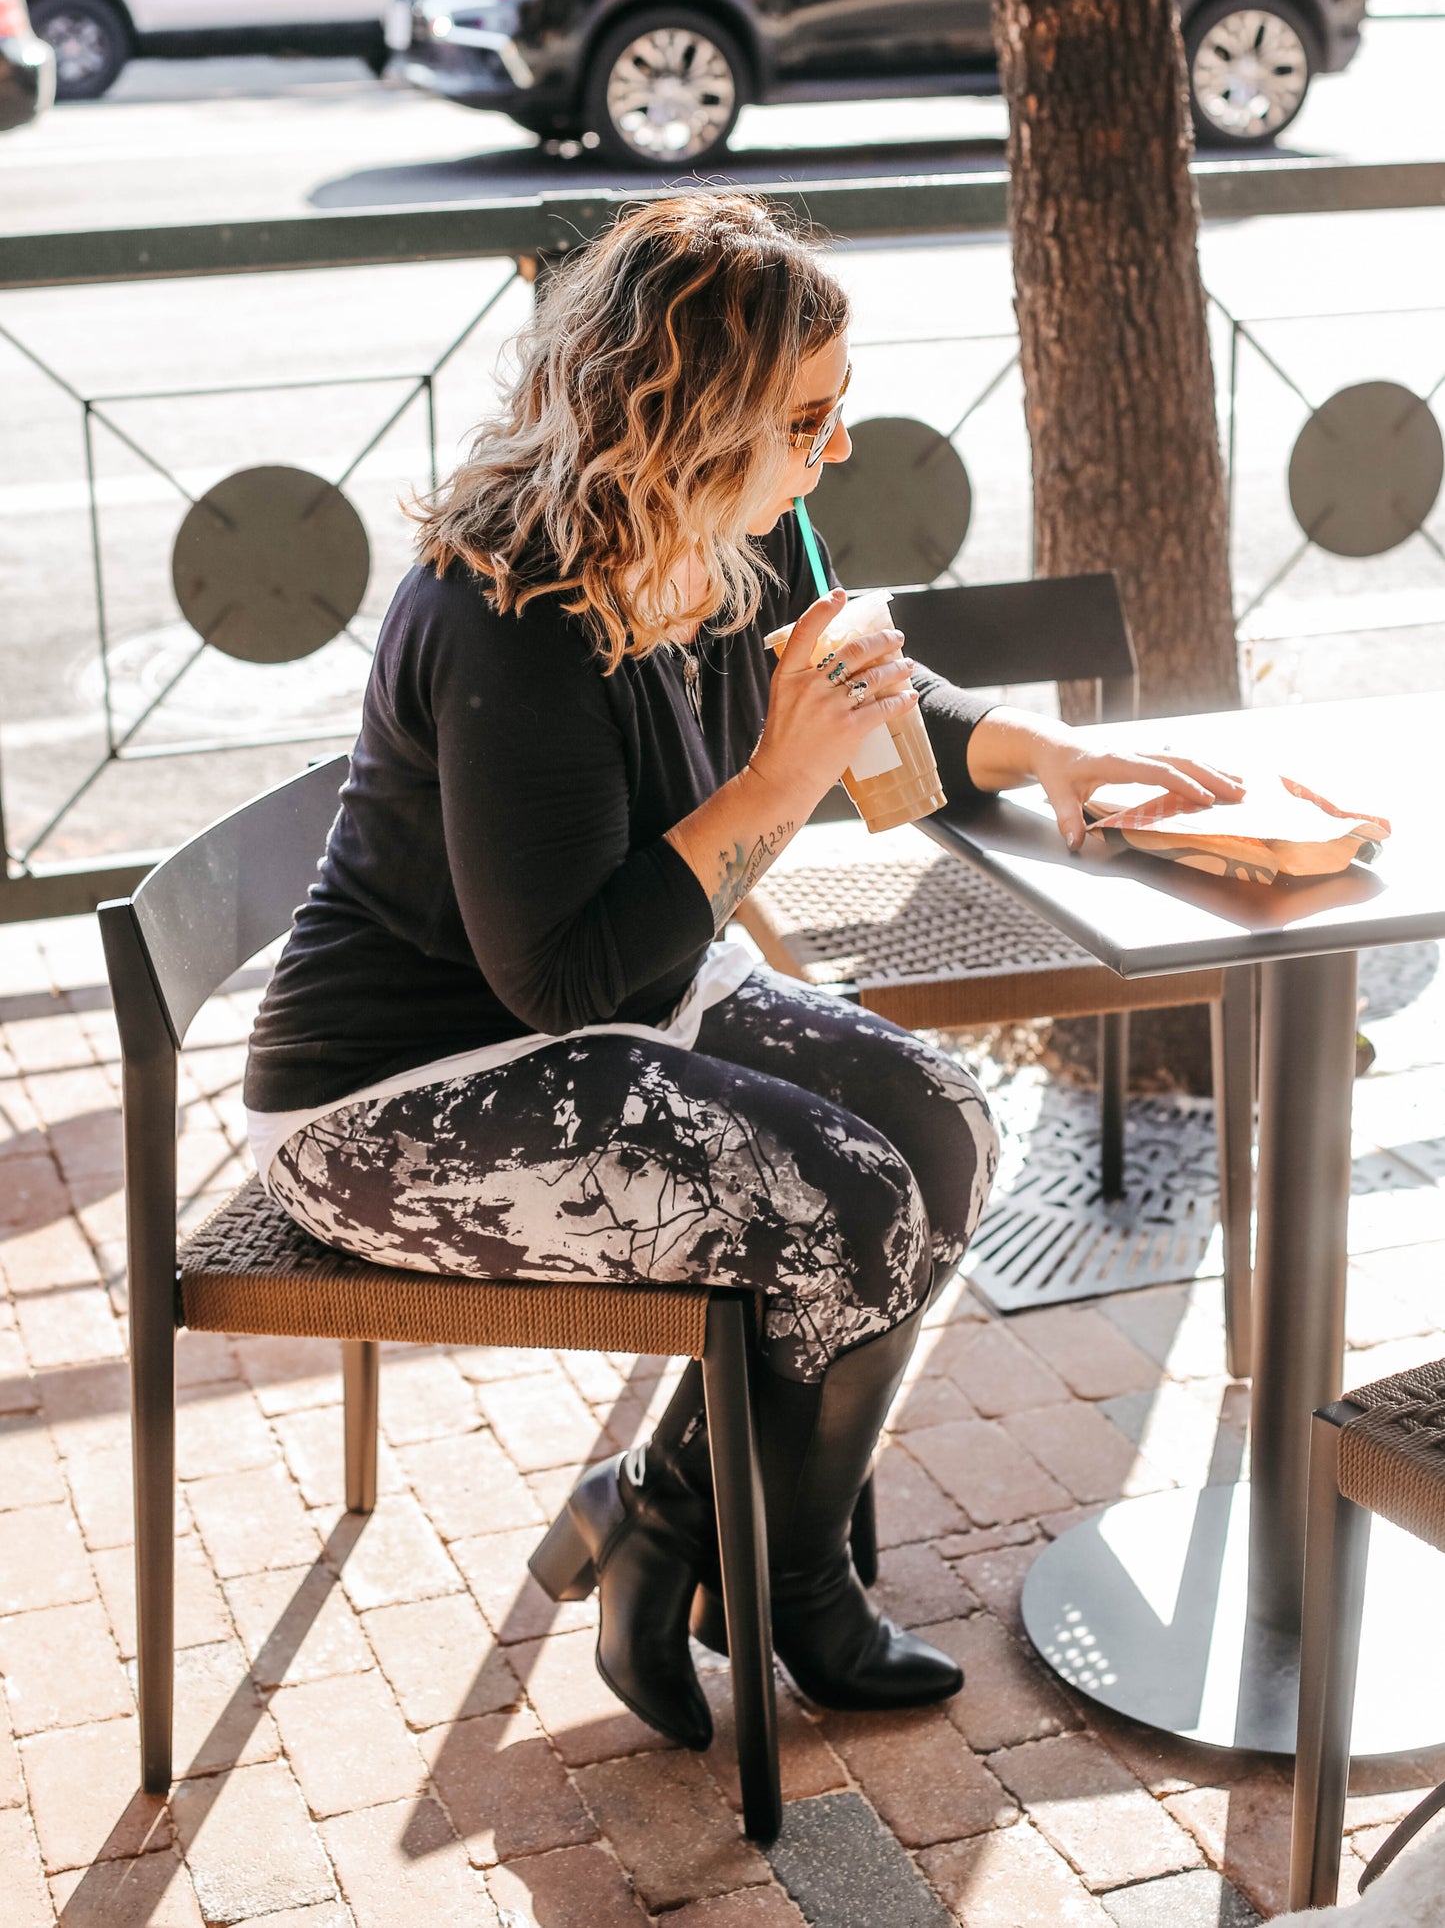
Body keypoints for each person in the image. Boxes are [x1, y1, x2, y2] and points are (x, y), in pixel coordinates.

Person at [243, 191, 1243, 1750]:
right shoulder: (503, 607)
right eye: (804, 420)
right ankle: (782, 1588)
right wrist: (777, 783)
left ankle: (666, 1519)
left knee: (940, 1123)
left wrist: (1044, 745)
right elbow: (564, 979)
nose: (832, 452)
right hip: (399, 1093)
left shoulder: (719, 532)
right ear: (687, 421)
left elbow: (870, 699)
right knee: (833, 1199)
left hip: (624, 1006)